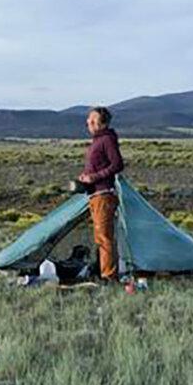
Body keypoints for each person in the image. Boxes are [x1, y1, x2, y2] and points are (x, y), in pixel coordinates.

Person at [77, 106, 125, 280]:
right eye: (88, 120)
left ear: (102, 123)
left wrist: (94, 177)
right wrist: (86, 177)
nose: (88, 123)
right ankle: (103, 271)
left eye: (92, 120)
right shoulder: (99, 140)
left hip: (103, 193)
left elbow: (117, 165)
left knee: (104, 237)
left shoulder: (106, 139)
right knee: (101, 236)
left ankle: (109, 276)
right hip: (96, 194)